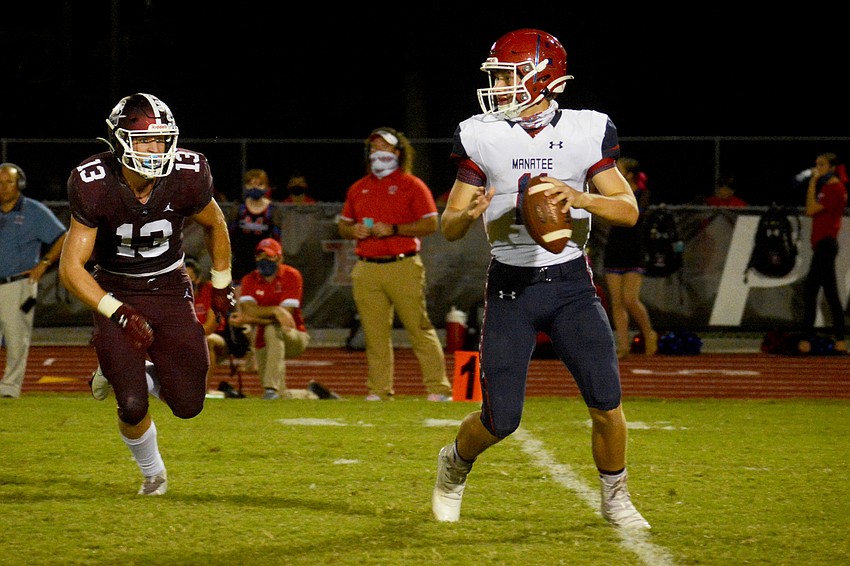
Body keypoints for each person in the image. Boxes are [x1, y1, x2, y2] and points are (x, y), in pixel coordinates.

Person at [434, 29, 650, 529]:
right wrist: (470, 214)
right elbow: (448, 225)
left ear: (544, 78)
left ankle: (615, 496)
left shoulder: (586, 129)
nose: (501, 87)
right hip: (511, 288)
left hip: (572, 284)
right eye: (500, 77)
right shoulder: (482, 134)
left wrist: (582, 198)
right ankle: (455, 462)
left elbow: (628, 209)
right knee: (501, 419)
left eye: (510, 75)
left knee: (606, 402)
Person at [58, 93, 236, 495]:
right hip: (116, 288)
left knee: (189, 404)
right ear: (119, 140)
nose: (156, 149)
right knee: (133, 404)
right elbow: (71, 268)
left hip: (171, 289)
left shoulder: (189, 173)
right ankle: (153, 473)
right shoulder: (94, 184)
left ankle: (130, 373)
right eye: (145, 140)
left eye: (161, 139)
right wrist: (118, 312)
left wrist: (222, 283)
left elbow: (216, 223)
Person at [337, 127, 453, 402]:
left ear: (398, 153)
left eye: (386, 147)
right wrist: (353, 231)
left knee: (419, 328)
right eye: (375, 147)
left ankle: (438, 389)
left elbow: (430, 223)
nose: (380, 152)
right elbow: (343, 224)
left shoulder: (412, 184)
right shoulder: (359, 187)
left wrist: (395, 229)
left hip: (403, 265)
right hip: (367, 267)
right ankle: (379, 390)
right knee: (374, 335)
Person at [0, 162, 67, 399]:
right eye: (0, 182)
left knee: (17, 337)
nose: (4, 187)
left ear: (20, 184)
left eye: (9, 181)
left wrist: (45, 263)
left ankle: (9, 388)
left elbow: (62, 237)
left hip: (18, 284)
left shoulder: (34, 210)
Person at [236, 238, 311, 399]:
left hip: (293, 334)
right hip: (262, 340)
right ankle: (313, 394)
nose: (264, 261)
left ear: (279, 258)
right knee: (281, 395)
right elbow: (248, 310)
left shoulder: (291, 276)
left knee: (272, 329)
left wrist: (255, 317)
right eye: (260, 257)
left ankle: (271, 388)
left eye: (269, 257)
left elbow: (286, 315)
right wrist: (276, 311)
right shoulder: (249, 279)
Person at [602, 157, 658, 358]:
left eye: (619, 170)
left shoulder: (643, 194)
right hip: (614, 248)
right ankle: (623, 345)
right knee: (616, 302)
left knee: (630, 299)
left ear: (630, 175)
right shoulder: (614, 193)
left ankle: (649, 334)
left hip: (634, 249)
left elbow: (634, 215)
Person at [798, 152, 848, 354]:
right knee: (831, 294)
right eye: (816, 164)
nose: (817, 167)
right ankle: (840, 340)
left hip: (826, 244)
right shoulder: (830, 187)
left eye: (821, 164)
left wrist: (812, 183)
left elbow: (810, 210)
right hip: (824, 244)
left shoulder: (834, 188)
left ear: (832, 167)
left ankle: (805, 339)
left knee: (810, 290)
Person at [228, 168, 280, 282]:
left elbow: (277, 239)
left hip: (263, 258)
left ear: (266, 187)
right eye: (250, 184)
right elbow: (229, 235)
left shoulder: (272, 210)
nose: (254, 188)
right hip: (240, 257)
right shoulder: (239, 208)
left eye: (259, 184)